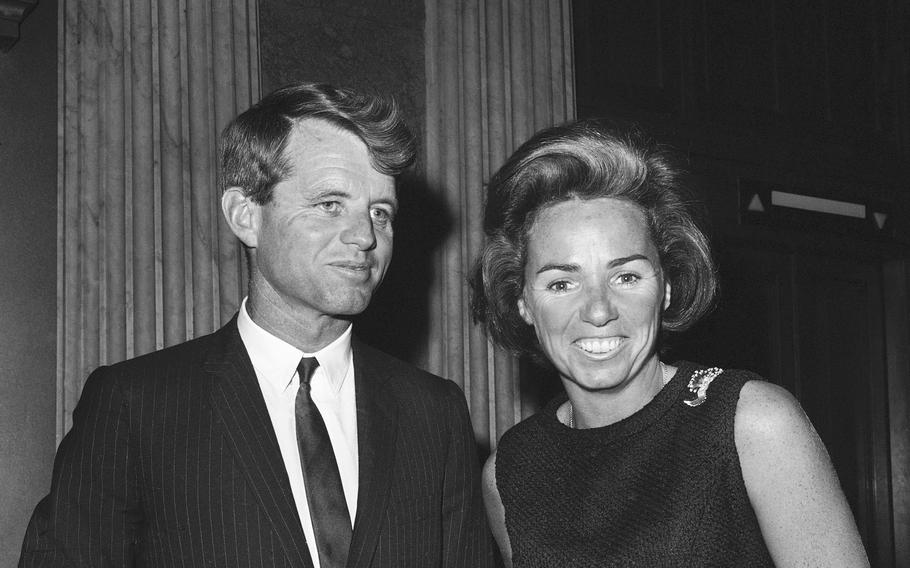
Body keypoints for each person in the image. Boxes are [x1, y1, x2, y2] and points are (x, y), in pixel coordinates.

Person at [21, 82, 493, 567]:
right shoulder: (136, 405)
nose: (365, 236)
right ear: (245, 216)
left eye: (380, 212)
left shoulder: (434, 414)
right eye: (331, 204)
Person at [470, 119, 869, 567]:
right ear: (523, 302)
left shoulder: (750, 422)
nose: (598, 310)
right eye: (562, 283)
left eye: (626, 276)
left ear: (666, 289)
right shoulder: (510, 470)